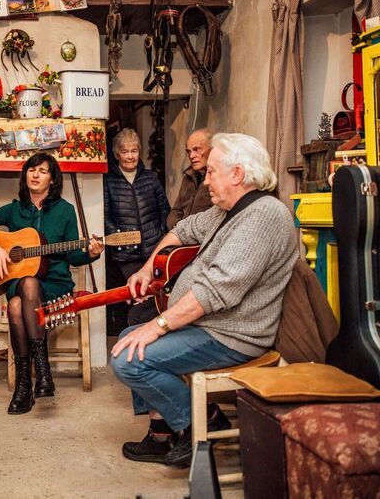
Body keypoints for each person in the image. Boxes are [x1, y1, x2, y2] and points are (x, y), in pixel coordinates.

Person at [111, 133, 299, 468]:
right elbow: (183, 229)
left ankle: (203, 420)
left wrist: (158, 326)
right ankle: (161, 433)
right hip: (208, 325)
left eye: (212, 172)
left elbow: (216, 291)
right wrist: (147, 268)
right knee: (129, 337)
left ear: (237, 174)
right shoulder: (227, 210)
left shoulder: (263, 216)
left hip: (233, 335)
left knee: (129, 358)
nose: (206, 180)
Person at [0, 152, 103, 414]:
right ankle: (42, 372)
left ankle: (24, 386)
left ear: (52, 179)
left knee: (16, 304)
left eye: (43, 171)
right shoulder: (14, 210)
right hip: (21, 282)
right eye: (31, 170)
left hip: (55, 285)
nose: (35, 175)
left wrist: (91, 253)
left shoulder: (65, 211)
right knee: (26, 283)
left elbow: (73, 255)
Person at [103, 128, 170, 334]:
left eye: (134, 151)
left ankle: (148, 337)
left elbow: (165, 209)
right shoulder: (108, 180)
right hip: (125, 254)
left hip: (152, 249)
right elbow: (104, 215)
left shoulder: (150, 178)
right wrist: (120, 238)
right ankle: (130, 337)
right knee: (134, 296)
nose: (130, 156)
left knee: (151, 295)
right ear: (116, 154)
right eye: (125, 151)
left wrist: (159, 234)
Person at [167, 128, 214, 229]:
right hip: (181, 237)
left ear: (211, 149)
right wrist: (179, 229)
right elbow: (175, 211)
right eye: (188, 151)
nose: (191, 155)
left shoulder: (219, 178)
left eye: (196, 149)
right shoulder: (188, 177)